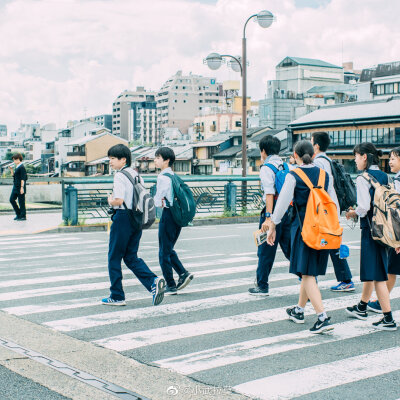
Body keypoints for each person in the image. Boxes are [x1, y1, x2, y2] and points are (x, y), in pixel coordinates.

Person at [267, 140, 334, 333]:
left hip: (303, 228)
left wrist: (273, 224)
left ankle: (322, 317)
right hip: (322, 227)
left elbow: (282, 204)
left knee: (306, 273)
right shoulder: (325, 175)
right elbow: (333, 202)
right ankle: (299, 310)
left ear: (295, 156)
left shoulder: (293, 175)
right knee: (308, 270)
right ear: (313, 155)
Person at [102, 144, 165, 307]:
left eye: (113, 159)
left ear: (123, 159)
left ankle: (117, 295)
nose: (110, 162)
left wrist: (109, 200)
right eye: (109, 159)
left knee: (114, 257)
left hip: (123, 217)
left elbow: (119, 200)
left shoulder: (120, 176)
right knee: (130, 256)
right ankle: (153, 281)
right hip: (137, 218)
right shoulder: (137, 175)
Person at [345, 143, 397, 331]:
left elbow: (364, 207)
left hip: (371, 229)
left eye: (357, 156)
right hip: (385, 229)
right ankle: (361, 306)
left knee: (378, 276)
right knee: (373, 269)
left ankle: (388, 318)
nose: (355, 160)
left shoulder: (362, 178)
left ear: (364, 157)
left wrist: (352, 213)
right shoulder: (386, 176)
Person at [311, 132, 355, 292]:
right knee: (331, 243)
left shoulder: (318, 163)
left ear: (316, 145)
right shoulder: (329, 160)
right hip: (332, 206)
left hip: (324, 209)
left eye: (311, 142)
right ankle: (345, 279)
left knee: (318, 243)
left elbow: (318, 187)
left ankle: (311, 281)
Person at [249, 135, 291, 296]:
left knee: (265, 250)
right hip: (286, 212)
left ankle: (262, 286)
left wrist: (268, 217)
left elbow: (269, 193)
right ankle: (307, 280)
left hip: (272, 214)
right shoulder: (285, 165)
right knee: (290, 249)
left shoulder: (266, 168)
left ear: (263, 151)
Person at [154, 147, 193, 295]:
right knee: (168, 248)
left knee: (163, 251)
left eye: (158, 157)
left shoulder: (162, 177)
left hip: (168, 214)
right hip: (178, 215)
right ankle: (183, 273)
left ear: (166, 160)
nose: (155, 160)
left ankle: (171, 285)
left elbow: (158, 201)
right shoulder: (174, 176)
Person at [367, 146, 400, 314]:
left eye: (393, 158)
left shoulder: (398, 181)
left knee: (392, 268)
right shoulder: (395, 178)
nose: (390, 161)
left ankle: (381, 303)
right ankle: (381, 301)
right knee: (392, 268)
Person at [9, 153, 27, 221]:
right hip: (15, 186)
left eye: (15, 160)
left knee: (21, 202)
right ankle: (18, 214)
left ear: (19, 159)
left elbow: (23, 178)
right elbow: (14, 176)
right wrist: (11, 170)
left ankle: (23, 216)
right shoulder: (17, 167)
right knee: (11, 200)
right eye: (13, 160)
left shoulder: (22, 167)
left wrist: (22, 187)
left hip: (20, 187)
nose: (14, 161)